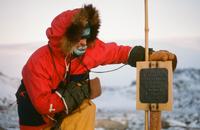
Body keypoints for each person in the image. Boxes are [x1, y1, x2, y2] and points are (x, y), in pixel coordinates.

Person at [15, 4, 177, 130]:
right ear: (64, 37)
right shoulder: (38, 62)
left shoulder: (88, 51)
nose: (84, 42)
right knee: (84, 100)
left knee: (87, 108)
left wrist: (150, 55)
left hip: (64, 116)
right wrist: (83, 90)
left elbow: (117, 53)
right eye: (78, 37)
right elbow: (43, 105)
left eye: (87, 36)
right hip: (37, 124)